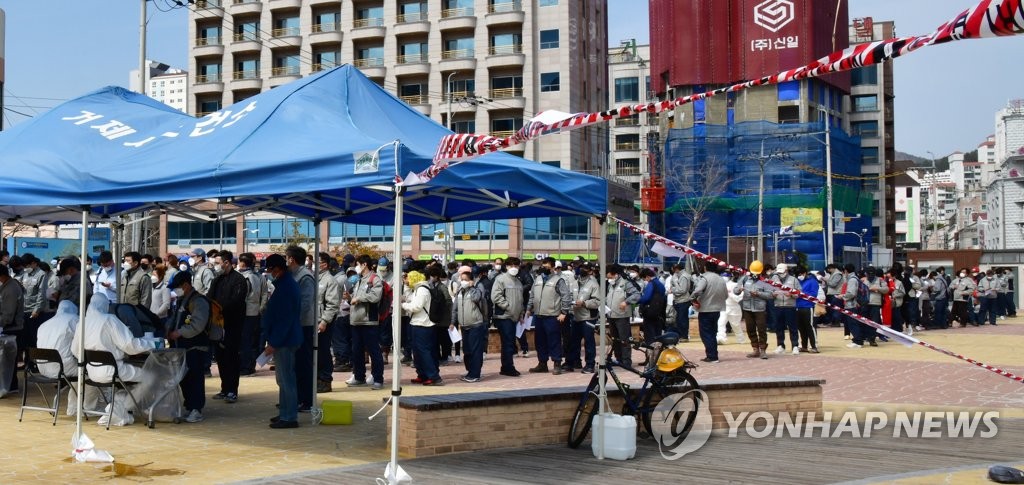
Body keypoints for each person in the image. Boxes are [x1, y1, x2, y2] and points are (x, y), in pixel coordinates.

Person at [72, 293, 152, 419]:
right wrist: (153, 343)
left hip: (92, 372)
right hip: (113, 371)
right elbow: (130, 346)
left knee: (129, 378)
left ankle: (121, 405)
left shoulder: (82, 323)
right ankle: (126, 407)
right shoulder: (109, 319)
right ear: (105, 305)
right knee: (150, 376)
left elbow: (75, 350)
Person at [261, 254, 303, 429]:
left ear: (277, 269)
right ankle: (285, 412)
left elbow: (284, 320)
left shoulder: (286, 287)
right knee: (283, 379)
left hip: (285, 340)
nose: (269, 273)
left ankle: (289, 416)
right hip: (284, 338)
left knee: (286, 380)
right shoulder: (285, 284)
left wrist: (274, 342)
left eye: (270, 270)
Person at [167, 271, 210, 423]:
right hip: (182, 348)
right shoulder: (181, 300)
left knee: (195, 378)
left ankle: (196, 409)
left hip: (196, 347)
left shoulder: (199, 301)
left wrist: (179, 333)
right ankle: (190, 407)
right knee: (184, 378)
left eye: (177, 287)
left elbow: (198, 325)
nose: (175, 291)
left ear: (185, 284)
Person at [208, 251, 248, 403]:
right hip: (217, 325)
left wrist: (219, 308)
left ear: (226, 262)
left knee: (232, 357)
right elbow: (209, 298)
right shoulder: (217, 280)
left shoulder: (239, 280)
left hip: (233, 324)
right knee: (220, 357)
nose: (216, 265)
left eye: (218, 262)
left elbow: (236, 301)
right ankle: (224, 389)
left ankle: (232, 390)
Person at [526, 257, 573, 375]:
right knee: (540, 341)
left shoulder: (559, 280)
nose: (543, 266)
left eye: (546, 265)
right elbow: (532, 295)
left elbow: (566, 297)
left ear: (552, 267)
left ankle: (557, 363)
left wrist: (564, 313)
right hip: (539, 315)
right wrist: (528, 309)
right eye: (543, 264)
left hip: (552, 316)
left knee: (554, 340)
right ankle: (542, 363)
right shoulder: (538, 279)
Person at [347, 254, 385, 389]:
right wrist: (349, 297)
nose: (356, 267)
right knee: (356, 351)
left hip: (369, 321)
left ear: (364, 264)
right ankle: (359, 377)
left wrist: (359, 298)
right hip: (356, 320)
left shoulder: (375, 279)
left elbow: (375, 296)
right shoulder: (359, 280)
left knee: (374, 351)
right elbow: (355, 297)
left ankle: (378, 378)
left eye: (357, 264)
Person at [402, 270, 442, 386]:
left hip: (424, 324)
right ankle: (422, 374)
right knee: (418, 352)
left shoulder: (422, 290)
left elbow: (416, 307)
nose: (406, 280)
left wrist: (402, 305)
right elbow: (410, 299)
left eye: (408, 278)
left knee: (424, 351)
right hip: (417, 323)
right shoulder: (417, 290)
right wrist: (406, 287)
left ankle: (433, 376)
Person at [491, 256, 524, 377]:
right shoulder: (500, 279)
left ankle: (506, 366)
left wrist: (520, 313)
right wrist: (508, 307)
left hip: (514, 317)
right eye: (511, 266)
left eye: (516, 266)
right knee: (508, 343)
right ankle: (508, 367)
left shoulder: (518, 281)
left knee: (509, 343)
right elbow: (496, 296)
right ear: (506, 267)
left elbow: (520, 300)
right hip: (504, 317)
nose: (514, 268)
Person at [452, 269, 486, 382]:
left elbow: (477, 298)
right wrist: (453, 322)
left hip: (475, 324)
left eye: (465, 280)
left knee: (475, 350)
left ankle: (475, 374)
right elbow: (455, 309)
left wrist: (471, 287)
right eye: (461, 280)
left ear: (471, 280)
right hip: (464, 325)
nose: (463, 282)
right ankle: (470, 371)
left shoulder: (476, 290)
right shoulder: (460, 291)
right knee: (467, 351)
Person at [690, 260, 727, 363]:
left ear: (706, 267)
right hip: (717, 309)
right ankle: (713, 354)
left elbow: (697, 290)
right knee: (713, 332)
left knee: (706, 333)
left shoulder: (704, 278)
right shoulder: (721, 279)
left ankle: (711, 356)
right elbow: (726, 295)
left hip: (706, 309)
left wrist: (692, 297)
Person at [238, 253, 269, 376]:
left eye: (239, 262)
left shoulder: (242, 277)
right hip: (256, 312)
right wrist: (261, 308)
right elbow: (265, 294)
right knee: (253, 341)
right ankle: (251, 366)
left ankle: (245, 367)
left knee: (244, 341)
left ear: (243, 263)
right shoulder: (259, 276)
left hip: (245, 312)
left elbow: (242, 296)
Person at [605, 264, 641, 367]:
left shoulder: (625, 283)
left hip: (622, 316)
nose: (609, 279)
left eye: (610, 277)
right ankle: (619, 359)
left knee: (624, 340)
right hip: (611, 315)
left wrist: (626, 302)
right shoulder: (610, 284)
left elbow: (637, 295)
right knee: (615, 339)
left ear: (615, 274)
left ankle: (626, 361)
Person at [315, 252, 340, 393]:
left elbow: (332, 304)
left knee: (324, 351)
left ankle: (325, 380)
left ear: (324, 264)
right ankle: (317, 378)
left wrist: (324, 321)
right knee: (316, 352)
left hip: (324, 322)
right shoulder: (315, 279)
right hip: (314, 320)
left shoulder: (330, 280)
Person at [736, 261, 772, 359]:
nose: (754, 274)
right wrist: (738, 290)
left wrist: (758, 294)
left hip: (760, 309)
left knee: (761, 329)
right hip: (747, 308)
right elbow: (736, 290)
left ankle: (763, 349)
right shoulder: (744, 278)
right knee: (750, 329)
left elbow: (770, 295)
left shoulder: (765, 281)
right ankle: (755, 349)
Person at [568, 263, 599, 374]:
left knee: (589, 341)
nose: (582, 270)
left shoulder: (593, 284)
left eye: (585, 268)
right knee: (574, 341)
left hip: (588, 317)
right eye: (580, 268)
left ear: (590, 271)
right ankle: (574, 362)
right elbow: (571, 296)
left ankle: (590, 364)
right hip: (576, 316)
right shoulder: (575, 283)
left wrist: (584, 303)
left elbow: (597, 301)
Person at [36, 300, 79, 379]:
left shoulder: (43, 325)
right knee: (90, 371)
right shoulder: (75, 320)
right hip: (64, 368)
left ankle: (69, 389)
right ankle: (75, 391)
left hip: (43, 368)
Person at [0, 264, 26, 391]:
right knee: (8, 360)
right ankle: (10, 384)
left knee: (9, 360)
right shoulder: (7, 285)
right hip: (10, 327)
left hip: (12, 329)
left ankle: (10, 385)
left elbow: (8, 316)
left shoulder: (10, 289)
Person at [770, 264, 800, 355]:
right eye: (779, 272)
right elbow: (768, 291)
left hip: (790, 306)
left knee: (793, 327)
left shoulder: (793, 279)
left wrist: (791, 295)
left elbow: (799, 292)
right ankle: (780, 345)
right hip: (778, 305)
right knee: (779, 327)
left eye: (782, 272)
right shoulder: (773, 279)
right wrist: (772, 294)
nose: (780, 274)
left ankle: (795, 346)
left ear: (786, 271)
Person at [637, 268, 668, 347]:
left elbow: (646, 298)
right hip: (659, 313)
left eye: (645, 279)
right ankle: (657, 355)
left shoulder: (651, 284)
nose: (645, 281)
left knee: (650, 336)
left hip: (650, 313)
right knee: (658, 335)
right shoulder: (660, 284)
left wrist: (638, 301)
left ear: (647, 277)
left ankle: (650, 356)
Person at [794, 266, 819, 353]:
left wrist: (800, 294)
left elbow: (813, 294)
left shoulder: (812, 281)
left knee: (810, 327)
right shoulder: (797, 281)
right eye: (797, 275)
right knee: (801, 327)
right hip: (797, 306)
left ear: (805, 273)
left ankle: (814, 346)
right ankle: (804, 346)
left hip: (808, 306)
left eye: (800, 274)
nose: (799, 276)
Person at [717, 271, 746, 345]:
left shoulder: (736, 285)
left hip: (734, 308)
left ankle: (741, 339)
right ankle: (721, 338)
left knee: (735, 325)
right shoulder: (719, 285)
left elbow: (739, 298)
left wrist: (730, 294)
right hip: (724, 307)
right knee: (721, 323)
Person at [669, 263, 694, 341]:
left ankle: (684, 336)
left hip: (683, 300)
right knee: (679, 319)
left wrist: (672, 289)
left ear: (676, 269)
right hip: (678, 300)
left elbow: (682, 290)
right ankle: (681, 335)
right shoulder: (677, 276)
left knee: (682, 319)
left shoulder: (684, 276)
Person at [149, 264, 172, 337]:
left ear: (161, 276)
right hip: (150, 318)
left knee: (159, 338)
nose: (153, 276)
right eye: (152, 274)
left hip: (160, 319)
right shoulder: (151, 287)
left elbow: (166, 304)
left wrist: (156, 314)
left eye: (155, 275)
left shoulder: (165, 288)